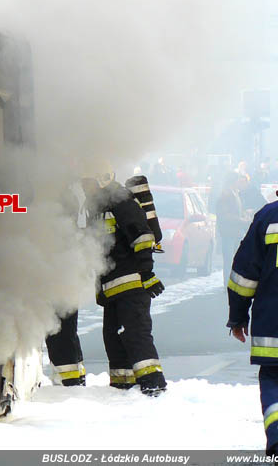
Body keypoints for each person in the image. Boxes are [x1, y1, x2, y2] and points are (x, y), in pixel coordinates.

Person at [228, 149, 278, 454]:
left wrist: (237, 317)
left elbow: (244, 276)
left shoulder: (268, 217)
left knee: (274, 385)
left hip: (276, 334)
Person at [82, 169, 167, 395]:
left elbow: (142, 236)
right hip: (111, 290)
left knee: (136, 335)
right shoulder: (99, 207)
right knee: (113, 339)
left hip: (131, 284)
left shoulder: (122, 202)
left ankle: (153, 384)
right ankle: (123, 388)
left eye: (87, 183)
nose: (84, 189)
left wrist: (147, 274)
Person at [45, 182, 86, 386]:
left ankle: (68, 381)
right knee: (67, 330)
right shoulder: (70, 230)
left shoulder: (58, 231)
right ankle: (74, 377)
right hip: (67, 280)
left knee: (58, 331)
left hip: (59, 281)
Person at [216, 172, 249, 287]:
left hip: (236, 232)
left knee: (237, 259)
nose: (240, 183)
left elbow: (236, 211)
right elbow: (224, 215)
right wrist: (240, 220)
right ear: (233, 181)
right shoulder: (226, 194)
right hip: (228, 232)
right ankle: (228, 284)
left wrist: (244, 215)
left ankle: (234, 283)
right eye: (238, 181)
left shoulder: (235, 193)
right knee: (229, 260)